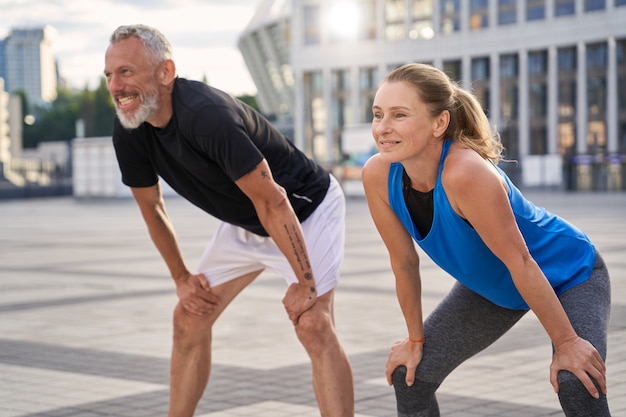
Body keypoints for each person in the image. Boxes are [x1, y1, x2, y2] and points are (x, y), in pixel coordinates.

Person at [103, 24, 354, 417]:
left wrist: (305, 283)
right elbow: (152, 208)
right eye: (109, 75)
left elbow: (274, 200)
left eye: (126, 72)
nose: (116, 86)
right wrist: (182, 279)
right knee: (189, 317)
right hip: (249, 220)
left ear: (165, 72)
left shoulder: (206, 116)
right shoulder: (130, 129)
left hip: (304, 211)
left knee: (313, 325)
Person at [361, 63, 611, 417]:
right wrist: (415, 341)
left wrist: (567, 343)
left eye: (399, 115)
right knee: (410, 375)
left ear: (439, 123)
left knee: (576, 379)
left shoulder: (466, 173)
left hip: (570, 273)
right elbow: (404, 263)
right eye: (377, 114)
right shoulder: (377, 175)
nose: (383, 128)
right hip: (494, 289)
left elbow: (522, 262)